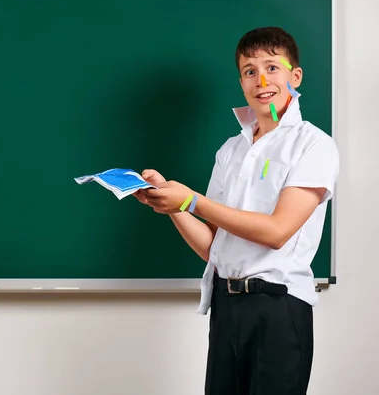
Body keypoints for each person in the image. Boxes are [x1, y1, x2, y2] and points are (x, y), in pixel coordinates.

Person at [133, 27, 339, 395]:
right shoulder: (231, 150)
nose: (261, 80)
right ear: (241, 82)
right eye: (249, 71)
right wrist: (172, 206)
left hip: (278, 306)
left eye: (272, 68)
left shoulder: (314, 145)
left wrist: (192, 200)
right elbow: (213, 247)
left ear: (295, 76)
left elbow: (278, 232)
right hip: (226, 307)